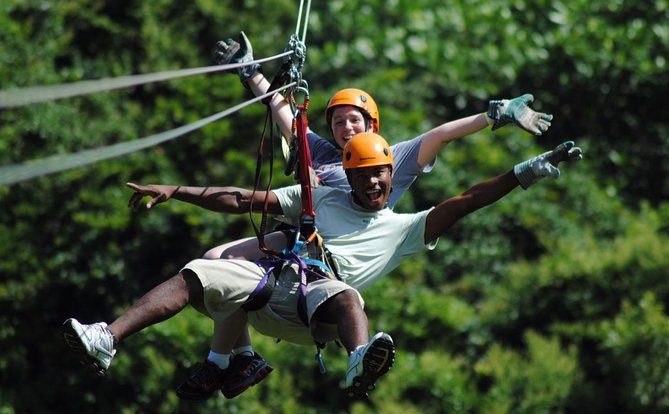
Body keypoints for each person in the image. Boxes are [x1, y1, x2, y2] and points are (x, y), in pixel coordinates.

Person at [154, 32, 556, 400]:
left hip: (329, 255)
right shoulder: (327, 157)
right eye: (338, 121)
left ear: (372, 125)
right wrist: (251, 72)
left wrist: (494, 115)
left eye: (354, 120)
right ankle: (238, 356)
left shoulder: (389, 157)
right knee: (214, 259)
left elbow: (439, 136)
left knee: (229, 266)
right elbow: (284, 113)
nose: (346, 127)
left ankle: (223, 362)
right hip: (298, 237)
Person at [62, 132, 582, 400]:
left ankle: (360, 358)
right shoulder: (323, 199)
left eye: (382, 175)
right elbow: (244, 198)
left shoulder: (403, 229)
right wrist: (176, 190)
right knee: (196, 271)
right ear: (350, 177)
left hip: (317, 313)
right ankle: (108, 339)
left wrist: (528, 170)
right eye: (366, 177)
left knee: (345, 294)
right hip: (273, 281)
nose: (376, 184)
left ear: (390, 176)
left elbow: (468, 199)